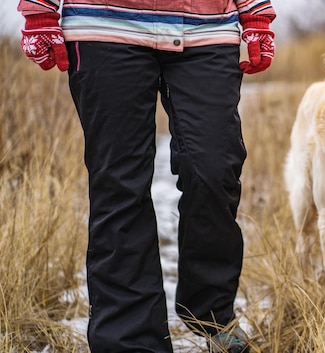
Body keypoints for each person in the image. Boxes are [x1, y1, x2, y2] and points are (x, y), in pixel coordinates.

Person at [18, 0, 275, 352]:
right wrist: (39, 9)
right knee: (119, 185)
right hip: (104, 27)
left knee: (215, 169)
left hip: (207, 28)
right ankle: (131, 340)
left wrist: (256, 13)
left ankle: (210, 312)